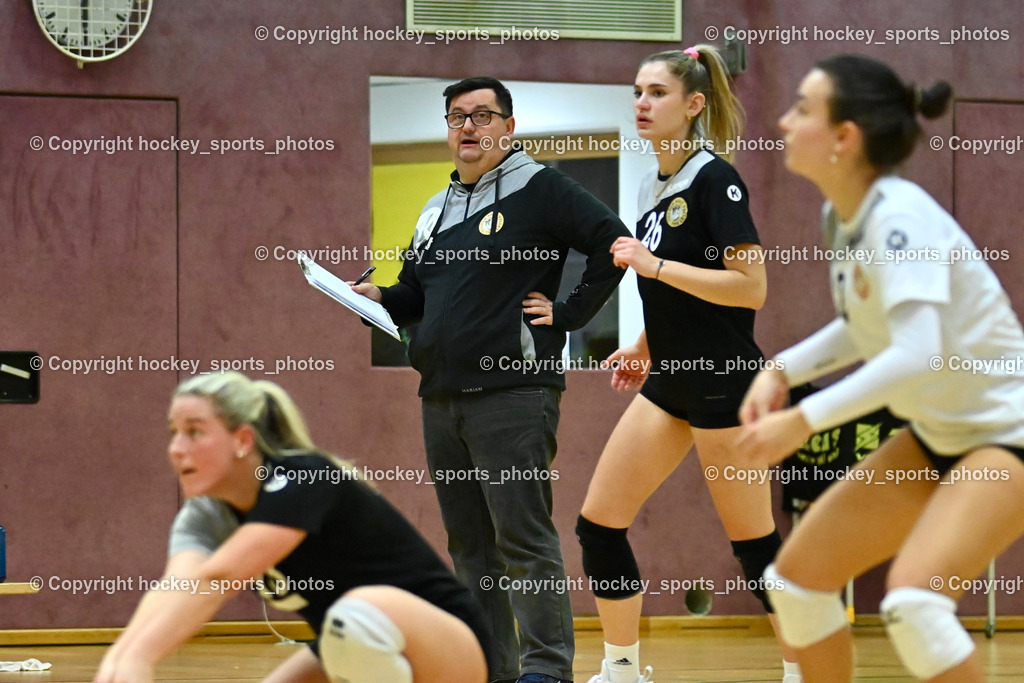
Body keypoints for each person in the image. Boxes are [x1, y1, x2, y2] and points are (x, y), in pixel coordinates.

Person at [737, 54, 1024, 682]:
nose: (783, 121)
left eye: (802, 109)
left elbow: (916, 355)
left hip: (1008, 435)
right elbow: (869, 328)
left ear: (845, 136)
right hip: (938, 435)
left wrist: (804, 420)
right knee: (796, 583)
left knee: (916, 605)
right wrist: (781, 371)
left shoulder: (899, 216)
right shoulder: (846, 217)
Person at [353, 76, 630, 683]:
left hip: (514, 395)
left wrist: (569, 314)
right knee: (470, 548)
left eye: (483, 115)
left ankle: (546, 670)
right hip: (441, 398)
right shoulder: (435, 209)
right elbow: (416, 293)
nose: (469, 127)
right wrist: (380, 297)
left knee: (523, 540)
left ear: (509, 126)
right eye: (457, 117)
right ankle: (489, 668)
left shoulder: (541, 187)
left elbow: (615, 245)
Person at [576, 45, 800, 683]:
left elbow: (750, 288)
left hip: (725, 384)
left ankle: (803, 669)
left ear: (694, 104)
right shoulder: (653, 184)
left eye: (657, 93)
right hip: (670, 382)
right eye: (637, 92)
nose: (642, 103)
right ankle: (622, 670)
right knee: (598, 526)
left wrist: (654, 266)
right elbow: (677, 295)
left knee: (755, 548)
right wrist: (642, 347)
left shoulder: (714, 179)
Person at [94, 372, 493, 683]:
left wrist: (141, 656)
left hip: (450, 645)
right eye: (173, 432)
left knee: (357, 612)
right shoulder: (206, 515)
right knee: (347, 625)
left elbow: (219, 577)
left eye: (195, 432)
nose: (177, 449)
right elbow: (178, 586)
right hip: (349, 644)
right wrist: (119, 661)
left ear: (242, 440)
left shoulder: (303, 477)